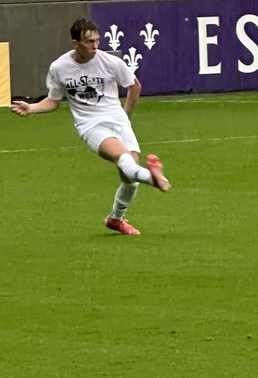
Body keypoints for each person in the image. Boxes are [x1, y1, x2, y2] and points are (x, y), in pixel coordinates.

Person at [10, 16, 171, 235]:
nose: (96, 46)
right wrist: (32, 108)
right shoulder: (59, 67)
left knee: (129, 177)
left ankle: (115, 219)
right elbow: (53, 101)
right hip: (90, 125)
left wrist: (125, 117)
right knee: (123, 159)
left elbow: (134, 86)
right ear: (75, 44)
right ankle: (155, 179)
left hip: (117, 119)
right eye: (89, 42)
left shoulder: (111, 62)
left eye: (97, 40)